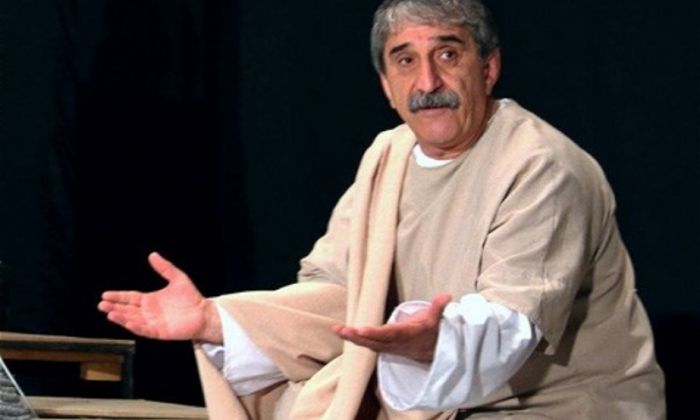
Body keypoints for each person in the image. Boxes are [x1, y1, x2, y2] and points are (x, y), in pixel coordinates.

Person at [98, 0, 666, 418]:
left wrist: (431, 343)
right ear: (386, 87)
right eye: (405, 61)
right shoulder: (388, 155)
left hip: (553, 406)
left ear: (488, 68)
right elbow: (339, 292)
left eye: (448, 54)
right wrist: (215, 319)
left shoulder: (542, 165)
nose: (428, 81)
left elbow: (512, 323)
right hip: (430, 397)